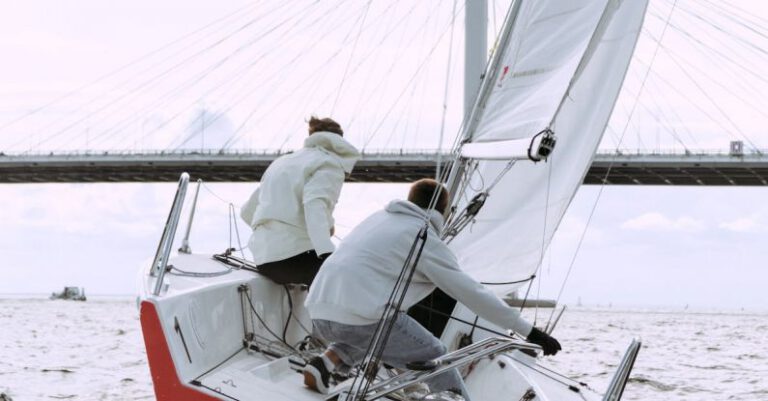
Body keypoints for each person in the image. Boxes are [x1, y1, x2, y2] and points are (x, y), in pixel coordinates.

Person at [302, 179, 561, 398]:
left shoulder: (379, 219)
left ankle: (325, 362)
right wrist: (530, 332)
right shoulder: (423, 235)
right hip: (362, 320)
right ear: (444, 209)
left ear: (410, 199)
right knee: (435, 357)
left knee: (374, 330)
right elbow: (471, 292)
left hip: (319, 312)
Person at [240, 117, 360, 286]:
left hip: (265, 260)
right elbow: (314, 204)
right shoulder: (330, 163)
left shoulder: (283, 162)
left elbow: (247, 211)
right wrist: (327, 252)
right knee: (351, 279)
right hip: (296, 258)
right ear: (340, 141)